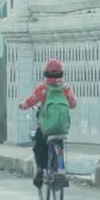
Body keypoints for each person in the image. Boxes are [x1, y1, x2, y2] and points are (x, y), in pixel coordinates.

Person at [18, 57, 77, 188]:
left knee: (39, 146)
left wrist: (22, 105)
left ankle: (40, 170)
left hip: (45, 128)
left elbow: (30, 101)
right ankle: (60, 169)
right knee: (59, 146)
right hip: (61, 128)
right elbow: (73, 104)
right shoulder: (66, 89)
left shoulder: (43, 89)